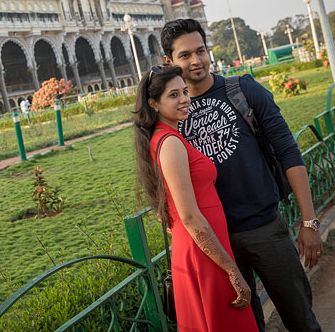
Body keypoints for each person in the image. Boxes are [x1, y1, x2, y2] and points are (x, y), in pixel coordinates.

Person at [161, 18, 322, 332]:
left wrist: (308, 222)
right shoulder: (173, 112)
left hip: (264, 228)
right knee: (244, 326)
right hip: (215, 242)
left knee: (302, 321)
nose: (196, 60)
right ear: (169, 61)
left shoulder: (242, 90)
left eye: (201, 50)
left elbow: (289, 152)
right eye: (184, 55)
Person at [134, 65, 257, 331]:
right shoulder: (170, 143)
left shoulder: (166, 138)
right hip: (203, 252)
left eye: (185, 92)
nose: (184, 99)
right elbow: (189, 216)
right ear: (153, 103)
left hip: (202, 247)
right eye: (173, 95)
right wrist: (233, 271)